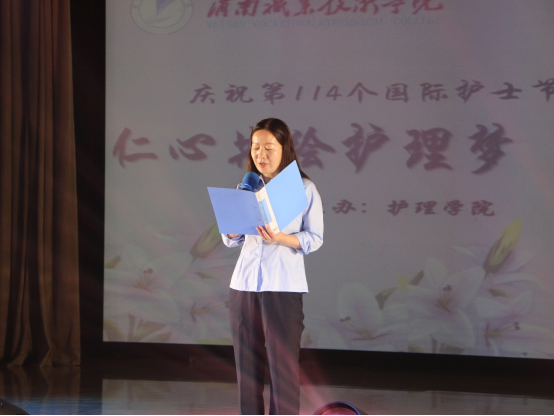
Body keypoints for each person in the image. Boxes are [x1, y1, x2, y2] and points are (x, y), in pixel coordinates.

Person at [222, 118, 324, 415]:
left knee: (283, 369)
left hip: (283, 287)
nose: (261, 154)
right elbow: (232, 240)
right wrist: (232, 229)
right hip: (243, 286)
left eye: (269, 147)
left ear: (284, 149)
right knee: (247, 369)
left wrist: (280, 237)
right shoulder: (246, 187)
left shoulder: (304, 188)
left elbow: (315, 238)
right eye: (255, 147)